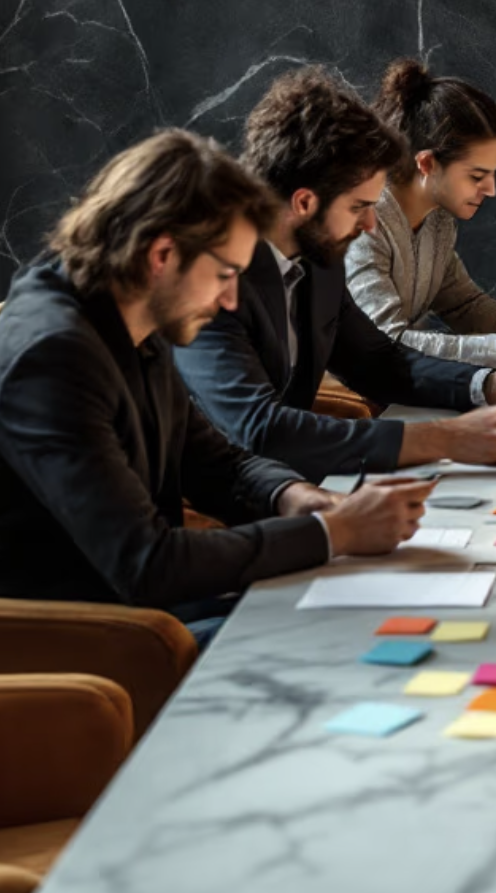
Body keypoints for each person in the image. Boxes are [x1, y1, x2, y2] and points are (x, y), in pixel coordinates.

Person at [0, 131, 436, 620]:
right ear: (162, 256)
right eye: (226, 274)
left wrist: (295, 497)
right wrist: (335, 534)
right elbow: (147, 564)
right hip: (94, 644)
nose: (231, 300)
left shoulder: (133, 306)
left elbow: (213, 462)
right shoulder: (54, 359)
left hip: (153, 610)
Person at [175, 69, 496, 482]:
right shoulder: (212, 278)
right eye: (359, 206)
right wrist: (443, 438)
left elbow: (380, 362)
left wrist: (489, 385)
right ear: (305, 202)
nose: (370, 225)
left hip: (295, 483)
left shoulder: (318, 261)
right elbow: (259, 430)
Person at [346, 59, 496, 368]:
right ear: (427, 164)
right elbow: (386, 341)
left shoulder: (438, 220)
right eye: (477, 176)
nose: (491, 190)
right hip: (349, 395)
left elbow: (462, 303)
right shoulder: (362, 221)